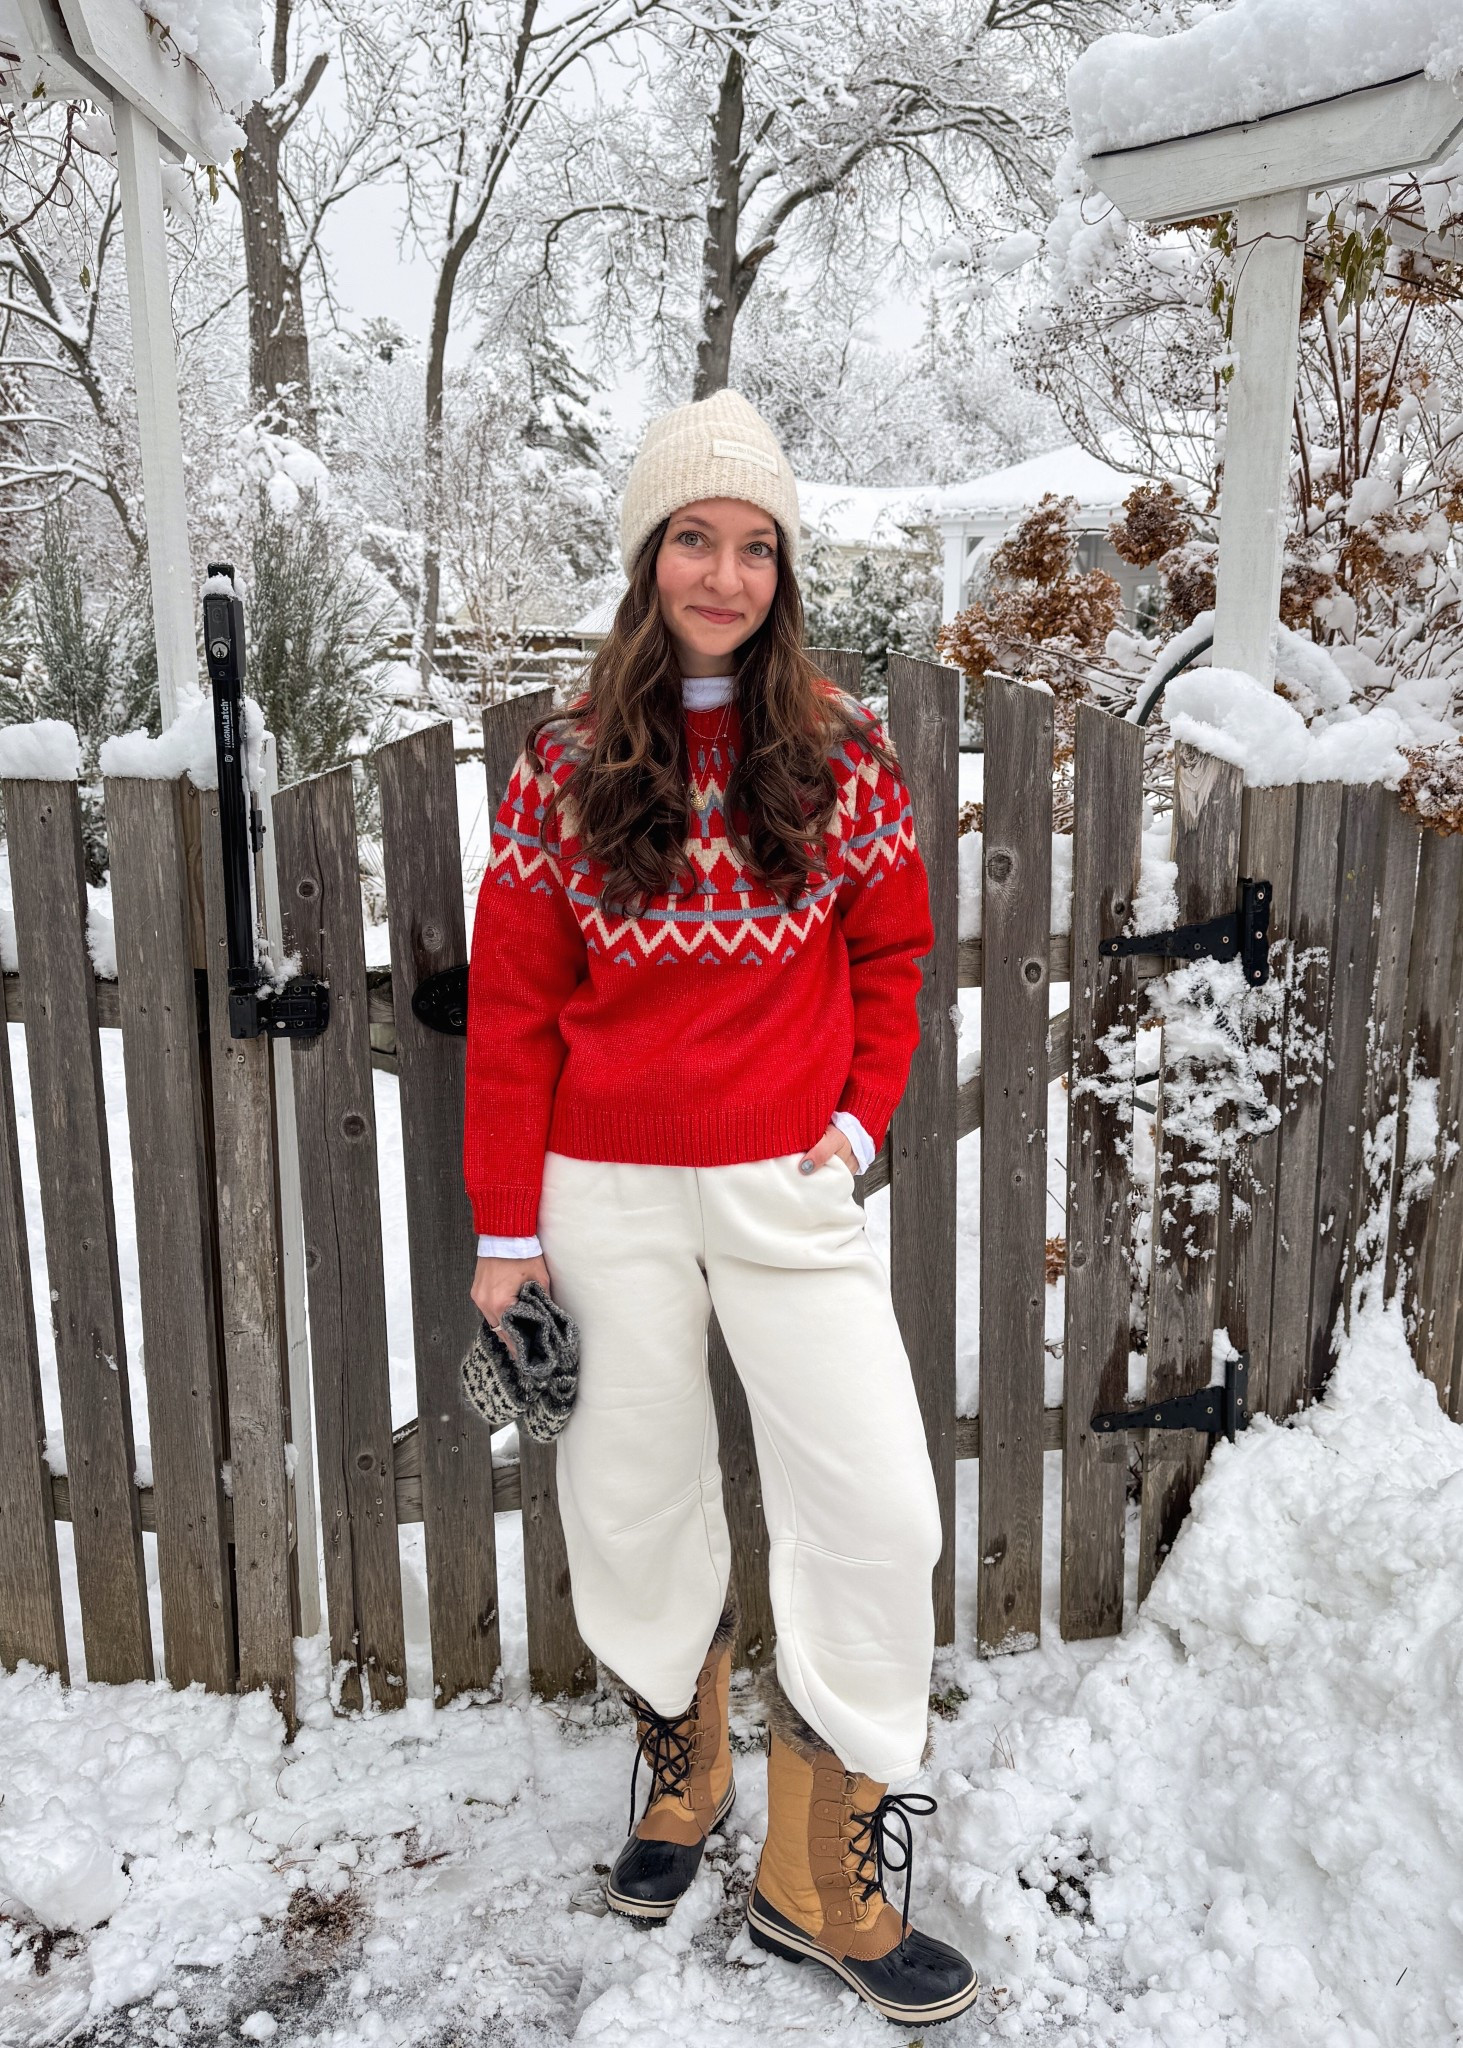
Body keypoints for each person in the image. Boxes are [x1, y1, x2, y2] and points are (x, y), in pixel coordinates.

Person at [462, 387, 978, 2026]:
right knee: (629, 1495)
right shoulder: (562, 765)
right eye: (698, 536)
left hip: (786, 1184)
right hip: (598, 1190)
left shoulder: (842, 750)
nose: (727, 571)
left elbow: (893, 957)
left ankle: (815, 1874)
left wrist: (855, 1118)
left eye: (758, 546)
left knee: (881, 1512)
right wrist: (501, 1235)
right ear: (649, 553)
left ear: (786, 573)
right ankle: (681, 1779)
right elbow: (517, 1006)